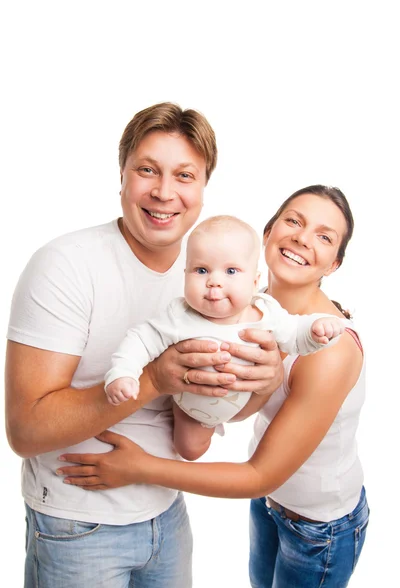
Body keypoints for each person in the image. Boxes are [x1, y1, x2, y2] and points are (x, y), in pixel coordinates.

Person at [5, 102, 284, 588]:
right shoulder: (65, 265)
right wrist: (154, 379)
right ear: (122, 176)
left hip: (167, 514)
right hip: (77, 525)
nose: (163, 192)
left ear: (202, 189)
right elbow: (25, 431)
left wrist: (263, 385)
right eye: (147, 170)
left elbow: (211, 407)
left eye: (185, 175)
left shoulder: (211, 276)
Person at [58, 185, 369, 588]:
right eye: (294, 221)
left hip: (318, 527)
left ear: (334, 264)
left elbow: (261, 474)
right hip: (270, 506)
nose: (302, 238)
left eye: (324, 237)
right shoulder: (242, 303)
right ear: (269, 232)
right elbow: (232, 403)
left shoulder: (327, 349)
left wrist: (140, 468)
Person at [105, 214, 345, 459]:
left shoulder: (265, 312)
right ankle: (182, 413)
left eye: (231, 271)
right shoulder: (180, 316)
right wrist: (124, 372)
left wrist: (317, 329)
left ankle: (215, 420)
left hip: (241, 399)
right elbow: (142, 338)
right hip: (191, 407)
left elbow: (295, 335)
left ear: (254, 282)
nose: (214, 282)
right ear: (184, 274)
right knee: (190, 450)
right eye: (201, 270)